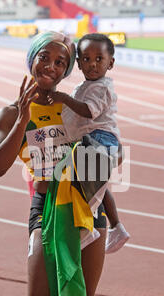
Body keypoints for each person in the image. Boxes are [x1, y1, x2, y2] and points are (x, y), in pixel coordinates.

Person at [0, 31, 107, 296]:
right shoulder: (10, 113)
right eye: (45, 57)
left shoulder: (76, 110)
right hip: (47, 209)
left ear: (68, 70)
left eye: (61, 62)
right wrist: (23, 120)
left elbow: (108, 157)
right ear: (32, 59)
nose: (51, 67)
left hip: (88, 208)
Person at [47, 33, 130, 254]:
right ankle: (117, 227)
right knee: (98, 188)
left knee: (79, 181)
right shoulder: (84, 87)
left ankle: (88, 229)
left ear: (110, 63)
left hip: (100, 139)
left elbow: (87, 111)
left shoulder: (101, 87)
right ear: (78, 64)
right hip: (90, 140)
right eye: (86, 59)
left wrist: (63, 99)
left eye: (99, 59)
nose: (92, 64)